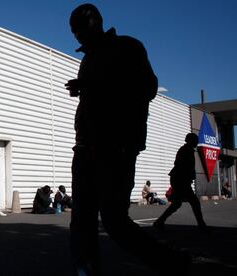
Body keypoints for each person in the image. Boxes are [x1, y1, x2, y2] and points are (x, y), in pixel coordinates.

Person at [65, 3, 190, 275]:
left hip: (115, 148)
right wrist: (83, 90)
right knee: (81, 220)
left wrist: (92, 86)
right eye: (74, 33)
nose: (77, 37)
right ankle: (85, 271)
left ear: (97, 22)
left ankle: (173, 264)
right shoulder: (88, 58)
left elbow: (147, 88)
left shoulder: (127, 48)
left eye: (80, 30)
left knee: (114, 221)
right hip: (85, 147)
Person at [153, 133, 208, 231]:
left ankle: (159, 222)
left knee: (177, 204)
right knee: (194, 202)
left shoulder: (187, 150)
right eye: (195, 140)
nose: (197, 142)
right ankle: (202, 225)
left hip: (179, 179)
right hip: (180, 180)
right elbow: (182, 166)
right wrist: (187, 179)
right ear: (191, 140)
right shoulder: (186, 150)